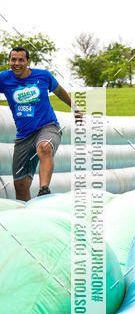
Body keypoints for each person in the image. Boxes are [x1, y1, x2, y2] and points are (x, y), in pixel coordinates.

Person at [0, 47, 81, 200]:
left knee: (44, 147)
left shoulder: (43, 76)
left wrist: (76, 109)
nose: (17, 63)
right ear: (9, 61)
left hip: (48, 127)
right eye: (13, 59)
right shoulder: (4, 79)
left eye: (21, 60)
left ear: (28, 62)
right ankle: (27, 217)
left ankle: (44, 188)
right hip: (24, 135)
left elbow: (59, 92)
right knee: (21, 186)